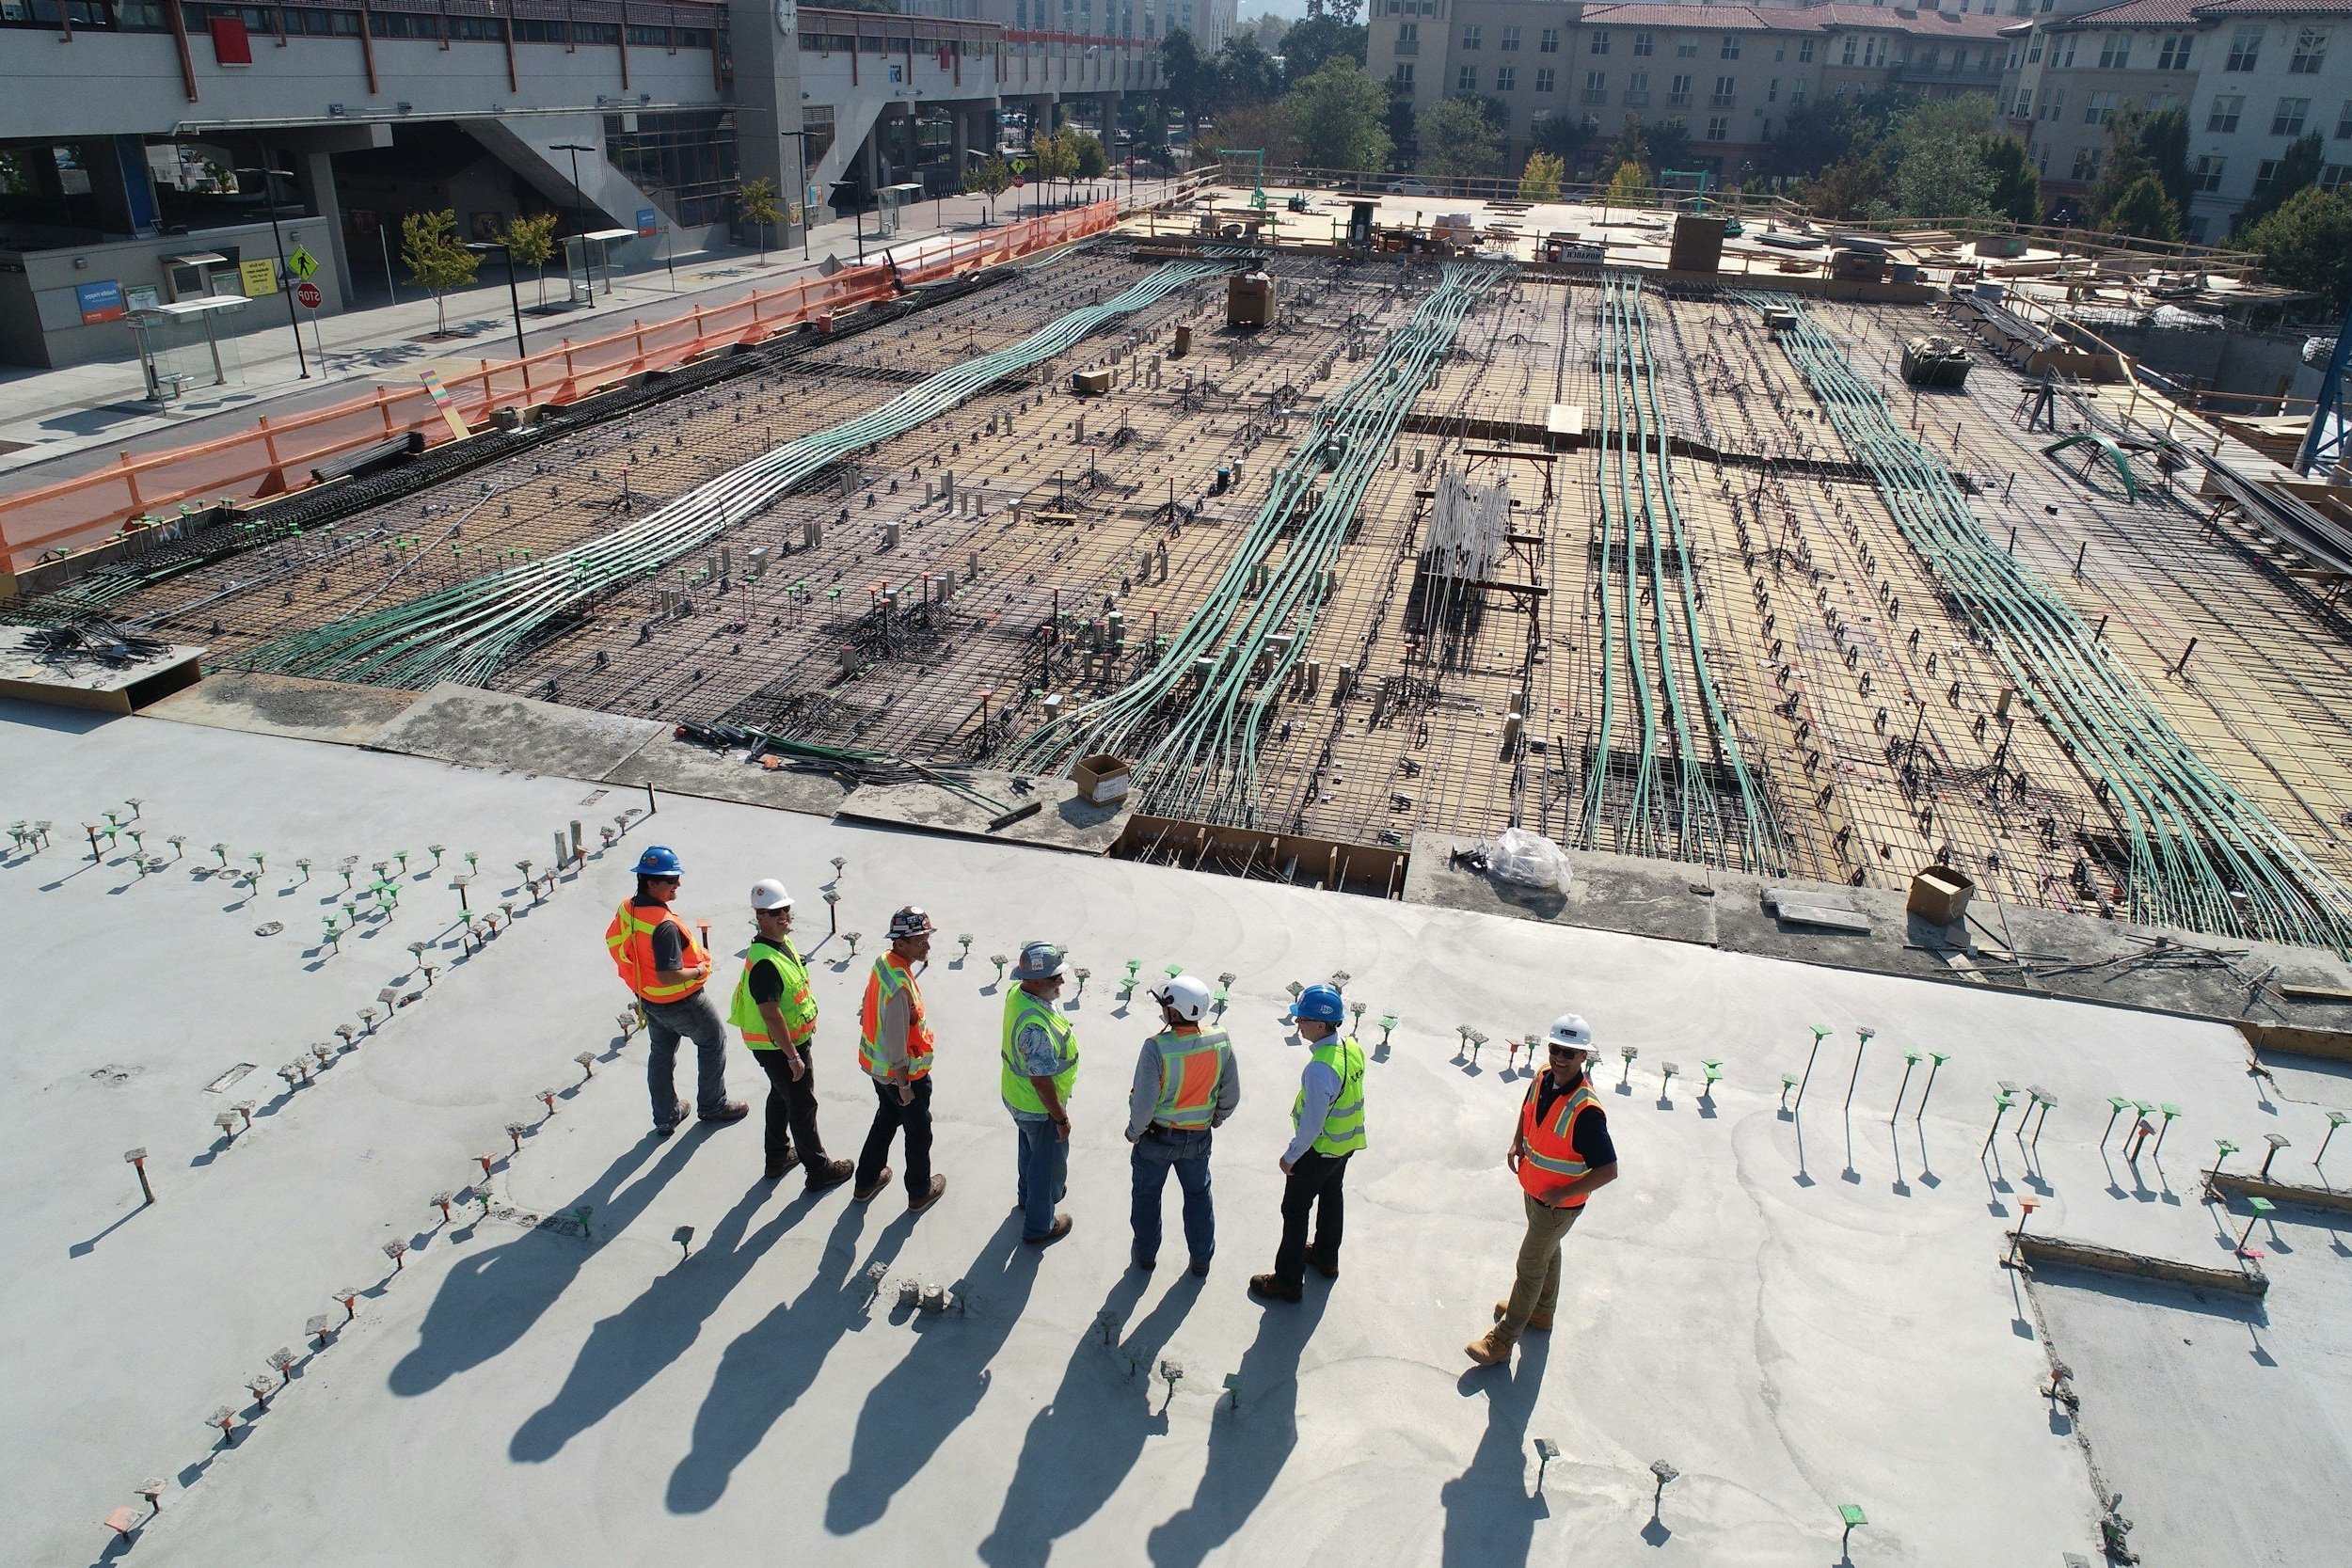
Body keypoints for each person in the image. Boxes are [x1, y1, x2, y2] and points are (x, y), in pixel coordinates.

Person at [1466, 1014, 1618, 1368]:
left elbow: (1608, 1170)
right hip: (1535, 1190)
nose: (1560, 1058)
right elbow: (1528, 1107)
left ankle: (1502, 1341)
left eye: (1570, 1052)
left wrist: (1562, 1196)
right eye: (1555, 1049)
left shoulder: (1587, 1111)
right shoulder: (1543, 1076)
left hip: (1557, 1205)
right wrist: (1517, 1140)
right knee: (1548, 1253)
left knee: (1530, 1265)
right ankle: (1541, 1313)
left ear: (1584, 1057)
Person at [604, 845, 746, 1137]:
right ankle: (713, 1105)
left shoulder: (628, 907)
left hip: (648, 998)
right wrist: (699, 971)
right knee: (712, 1041)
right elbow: (669, 975)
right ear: (651, 883)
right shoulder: (664, 926)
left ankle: (666, 1116)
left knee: (661, 1053)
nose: (677, 884)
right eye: (671, 880)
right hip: (681, 1001)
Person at [727, 879, 854, 1191]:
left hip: (784, 1045)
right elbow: (771, 1014)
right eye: (775, 913)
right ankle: (819, 1170)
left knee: (781, 1096)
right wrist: (793, 1056)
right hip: (780, 1048)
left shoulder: (780, 945)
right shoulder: (765, 963)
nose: (784, 917)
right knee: (802, 1105)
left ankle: (777, 1156)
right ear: (760, 917)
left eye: (785, 910)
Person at [1249, 983, 1364, 1304]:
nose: (1297, 1024)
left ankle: (1287, 1281)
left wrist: (1291, 1156)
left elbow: (1313, 1123)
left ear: (1321, 1024)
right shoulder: (1351, 1047)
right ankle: (1326, 1258)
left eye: (1302, 1019)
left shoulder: (1319, 1069)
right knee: (1331, 1197)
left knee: (1295, 1210)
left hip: (1320, 1150)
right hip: (1346, 1143)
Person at [1125, 974, 1239, 1276]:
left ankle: (1146, 1255)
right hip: (1199, 1138)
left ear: (1174, 1013)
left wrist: (1134, 1132)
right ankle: (1201, 1260)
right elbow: (1231, 1093)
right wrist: (1217, 1117)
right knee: (1198, 1197)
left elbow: (1144, 1102)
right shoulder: (1219, 1039)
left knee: (1147, 1197)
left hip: (1156, 1140)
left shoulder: (1156, 1047)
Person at [853, 906, 947, 1214]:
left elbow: (869, 998)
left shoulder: (885, 963)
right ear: (901, 943)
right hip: (902, 1076)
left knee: (886, 1119)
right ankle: (919, 1192)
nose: (927, 946)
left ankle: (866, 1182)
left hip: (878, 1070)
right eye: (921, 941)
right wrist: (904, 1084)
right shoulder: (898, 986)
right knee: (919, 1132)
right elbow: (896, 1041)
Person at [1002, 941, 1078, 1246]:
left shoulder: (1019, 994)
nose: (1061, 981)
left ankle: (1027, 1198)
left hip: (1018, 1098)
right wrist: (1060, 1119)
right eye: (1054, 977)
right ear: (1033, 981)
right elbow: (1042, 1081)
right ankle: (1040, 1225)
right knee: (1047, 1166)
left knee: (1030, 1152)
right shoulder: (1035, 1028)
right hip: (1039, 1107)